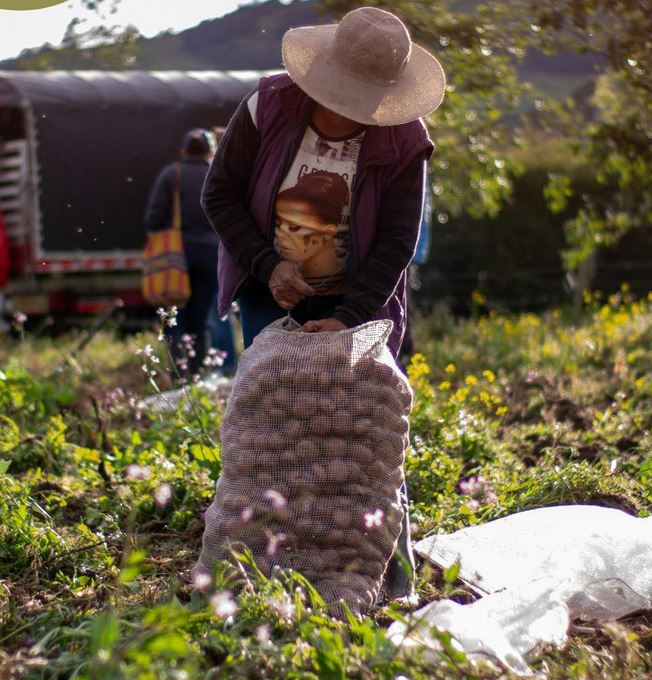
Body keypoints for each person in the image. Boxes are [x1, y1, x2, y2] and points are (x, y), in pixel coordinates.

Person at [201, 7, 445, 600]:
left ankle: (387, 576)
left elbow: (397, 241)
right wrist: (269, 265)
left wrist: (351, 314)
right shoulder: (268, 108)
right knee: (272, 423)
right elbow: (220, 195)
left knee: (368, 430)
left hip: (363, 298)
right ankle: (258, 568)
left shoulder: (404, 138)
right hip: (271, 291)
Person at [144, 128, 235, 379]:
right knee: (201, 317)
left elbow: (152, 220)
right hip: (211, 255)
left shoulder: (171, 174)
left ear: (184, 151)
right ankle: (198, 372)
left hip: (177, 257)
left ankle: (179, 375)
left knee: (175, 316)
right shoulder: (217, 174)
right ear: (210, 151)